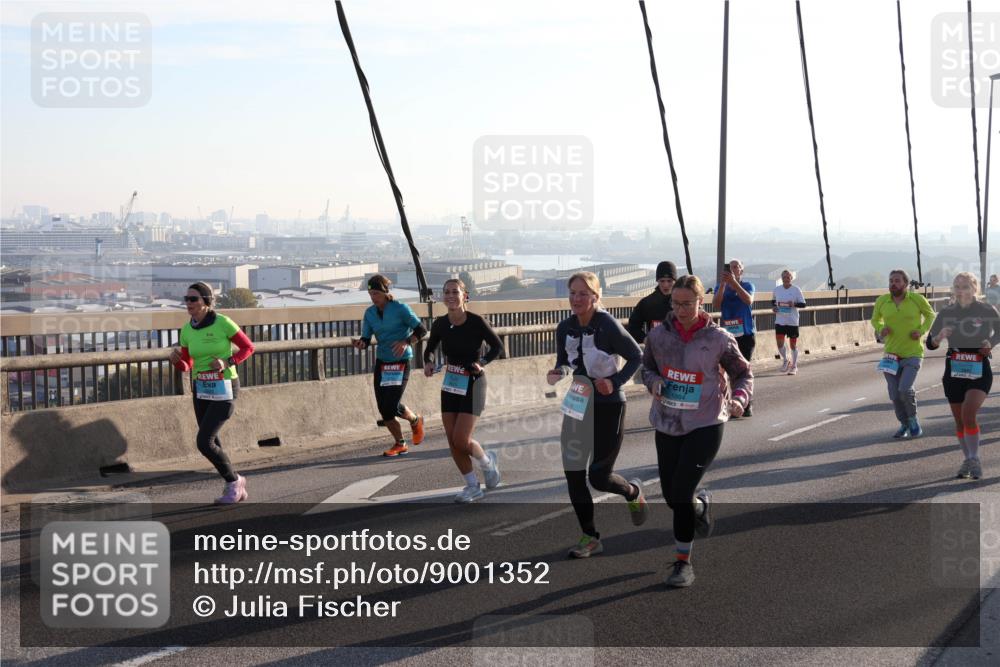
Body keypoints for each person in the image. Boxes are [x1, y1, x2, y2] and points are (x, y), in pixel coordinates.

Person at [642, 275, 752, 588]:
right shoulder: (658, 336)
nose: (680, 310)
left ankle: (683, 563)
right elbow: (646, 368)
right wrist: (654, 382)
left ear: (700, 302)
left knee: (680, 493)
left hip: (706, 421)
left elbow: (743, 373)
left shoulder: (718, 338)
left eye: (687, 304)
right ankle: (700, 506)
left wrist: (740, 399)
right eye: (675, 303)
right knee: (671, 497)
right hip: (668, 421)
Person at [546, 271, 645, 558]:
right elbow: (566, 361)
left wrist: (614, 382)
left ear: (595, 296)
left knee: (599, 477)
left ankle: (632, 492)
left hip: (609, 405)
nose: (576, 299)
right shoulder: (565, 327)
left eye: (583, 294)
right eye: (572, 293)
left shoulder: (607, 325)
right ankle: (590, 537)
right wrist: (559, 372)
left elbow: (636, 356)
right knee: (573, 474)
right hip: (578, 402)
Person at [169, 282, 256, 504]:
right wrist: (177, 362)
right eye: (186, 299)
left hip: (225, 387)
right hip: (201, 388)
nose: (188, 303)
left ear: (206, 301)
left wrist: (227, 361)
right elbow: (188, 365)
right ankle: (234, 485)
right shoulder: (187, 330)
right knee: (212, 440)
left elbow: (248, 348)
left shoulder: (223, 323)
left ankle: (234, 481)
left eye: (193, 299)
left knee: (203, 442)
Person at [423, 278, 504, 503]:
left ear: (464, 295)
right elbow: (429, 349)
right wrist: (428, 363)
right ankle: (472, 486)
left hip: (474, 383)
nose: (450, 296)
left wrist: (482, 362)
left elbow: (497, 347)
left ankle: (487, 462)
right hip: (451, 383)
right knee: (452, 440)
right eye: (446, 292)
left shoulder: (476, 321)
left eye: (455, 292)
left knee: (461, 439)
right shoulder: (440, 324)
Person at [926, 272, 1000, 480]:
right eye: (957, 287)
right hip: (954, 370)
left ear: (975, 288)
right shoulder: (946, 312)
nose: (961, 291)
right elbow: (930, 344)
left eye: (965, 287)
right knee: (959, 421)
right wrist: (939, 337)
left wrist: (990, 343)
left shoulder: (986, 310)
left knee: (968, 413)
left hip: (979, 369)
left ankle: (974, 458)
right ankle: (968, 459)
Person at [352, 274, 427, 457]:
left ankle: (415, 420)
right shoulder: (370, 313)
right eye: (370, 294)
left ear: (386, 292)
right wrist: (361, 344)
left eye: (376, 293)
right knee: (384, 408)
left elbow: (421, 330)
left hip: (401, 362)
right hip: (382, 362)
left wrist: (406, 342)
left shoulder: (400, 309)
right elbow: (366, 338)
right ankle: (400, 443)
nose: (373, 297)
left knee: (392, 405)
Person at [870, 269, 936, 439]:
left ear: (905, 284)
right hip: (891, 355)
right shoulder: (882, 301)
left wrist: (921, 331)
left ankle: (913, 420)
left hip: (913, 353)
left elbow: (930, 315)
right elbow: (875, 319)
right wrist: (880, 328)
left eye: (897, 281)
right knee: (894, 394)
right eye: (891, 281)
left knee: (905, 389)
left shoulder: (917, 299)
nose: (893, 284)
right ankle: (904, 424)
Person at [712, 258, 756, 415]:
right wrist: (724, 285)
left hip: (745, 334)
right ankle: (729, 403)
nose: (733, 269)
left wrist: (734, 283)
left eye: (736, 267)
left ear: (741, 270)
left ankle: (745, 403)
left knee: (742, 371)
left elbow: (748, 300)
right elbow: (716, 304)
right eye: (730, 267)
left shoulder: (748, 285)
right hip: (727, 336)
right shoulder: (720, 286)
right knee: (724, 371)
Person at [627, 260, 676, 343]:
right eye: (662, 281)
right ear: (657, 281)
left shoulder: (683, 301)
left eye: (669, 281)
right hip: (655, 348)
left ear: (675, 281)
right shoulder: (646, 303)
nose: (666, 285)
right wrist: (644, 339)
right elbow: (633, 326)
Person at [771, 269, 807, 375]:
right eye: (784, 277)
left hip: (792, 321)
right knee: (779, 344)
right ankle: (786, 360)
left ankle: (794, 366)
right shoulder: (777, 289)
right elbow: (773, 301)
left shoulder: (796, 289)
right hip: (780, 320)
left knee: (792, 345)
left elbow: (803, 304)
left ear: (791, 278)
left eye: (788, 277)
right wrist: (774, 308)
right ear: (781, 278)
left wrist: (794, 304)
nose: (786, 279)